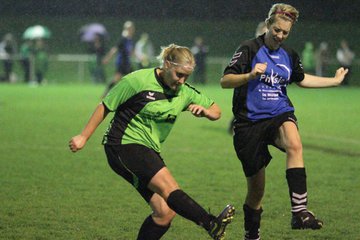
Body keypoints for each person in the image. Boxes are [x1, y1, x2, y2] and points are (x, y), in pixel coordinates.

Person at [69, 43, 235, 240]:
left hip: (148, 149)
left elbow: (216, 110)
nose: (182, 81)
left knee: (164, 213)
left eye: (186, 77)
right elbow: (105, 105)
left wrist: (207, 112)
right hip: (123, 145)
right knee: (169, 187)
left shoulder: (184, 92)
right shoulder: (137, 81)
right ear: (166, 64)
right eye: (178, 75)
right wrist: (83, 136)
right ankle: (211, 224)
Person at [220, 3, 348, 240]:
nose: (280, 36)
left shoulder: (289, 54)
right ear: (268, 25)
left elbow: (301, 78)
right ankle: (252, 235)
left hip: (278, 113)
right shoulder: (248, 48)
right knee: (256, 192)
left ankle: (299, 212)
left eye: (285, 32)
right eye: (276, 30)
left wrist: (334, 81)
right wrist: (249, 75)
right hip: (249, 123)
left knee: (295, 143)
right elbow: (225, 80)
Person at [228, 22, 267, 134]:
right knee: (242, 109)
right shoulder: (247, 48)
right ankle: (235, 126)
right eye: (263, 33)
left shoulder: (270, 51)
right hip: (245, 84)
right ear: (258, 33)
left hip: (259, 87)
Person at [102, 20, 135, 96]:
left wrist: (139, 56)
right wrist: (107, 58)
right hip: (122, 62)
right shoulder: (123, 39)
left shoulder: (129, 39)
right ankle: (107, 93)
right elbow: (115, 49)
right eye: (131, 28)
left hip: (127, 63)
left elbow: (130, 51)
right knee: (120, 78)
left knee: (131, 78)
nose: (133, 30)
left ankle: (128, 94)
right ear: (127, 29)